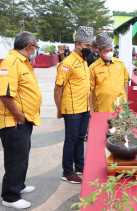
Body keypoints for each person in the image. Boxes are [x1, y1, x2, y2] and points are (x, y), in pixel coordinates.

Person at [0, 32, 41, 209]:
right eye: (35, 45)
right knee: (15, 159)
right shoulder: (11, 62)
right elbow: (5, 95)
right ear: (28, 45)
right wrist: (19, 116)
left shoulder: (23, 61)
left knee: (22, 156)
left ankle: (18, 185)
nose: (36, 49)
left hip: (24, 120)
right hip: (14, 121)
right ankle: (10, 197)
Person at [54, 26, 93, 184]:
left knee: (80, 138)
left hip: (84, 108)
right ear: (77, 44)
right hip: (71, 109)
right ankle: (67, 171)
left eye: (90, 45)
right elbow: (58, 88)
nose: (89, 49)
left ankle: (80, 166)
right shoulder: (67, 63)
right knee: (71, 140)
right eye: (86, 45)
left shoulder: (84, 61)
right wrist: (60, 110)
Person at [90, 32, 129, 112]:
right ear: (99, 52)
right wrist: (91, 110)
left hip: (120, 109)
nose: (109, 53)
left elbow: (125, 83)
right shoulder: (93, 68)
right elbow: (90, 91)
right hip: (102, 109)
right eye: (106, 51)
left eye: (111, 50)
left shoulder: (120, 64)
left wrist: (125, 100)